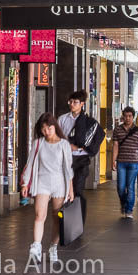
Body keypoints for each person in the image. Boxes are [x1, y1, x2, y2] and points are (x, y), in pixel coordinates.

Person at [21, 113, 74, 264]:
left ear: (54, 126)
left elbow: (68, 169)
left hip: (59, 184)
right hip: (42, 182)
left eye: (49, 127)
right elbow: (29, 164)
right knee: (39, 215)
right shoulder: (38, 143)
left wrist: (70, 190)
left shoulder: (64, 144)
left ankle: (53, 248)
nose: (46, 131)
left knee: (57, 218)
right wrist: (25, 183)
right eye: (43, 129)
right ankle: (36, 247)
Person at [58, 90, 99, 222]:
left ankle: (79, 220)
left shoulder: (88, 122)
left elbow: (93, 139)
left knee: (78, 189)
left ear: (82, 104)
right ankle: (66, 218)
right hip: (65, 159)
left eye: (75, 102)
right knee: (64, 191)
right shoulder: (63, 119)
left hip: (81, 159)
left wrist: (81, 147)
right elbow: (57, 138)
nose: (72, 104)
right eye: (70, 102)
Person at [112, 106, 138, 217]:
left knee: (130, 186)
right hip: (121, 162)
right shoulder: (117, 129)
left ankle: (129, 210)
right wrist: (113, 160)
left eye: (130, 116)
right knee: (121, 187)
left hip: (134, 162)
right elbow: (115, 146)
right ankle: (124, 203)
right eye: (125, 116)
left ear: (133, 117)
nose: (127, 118)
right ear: (123, 117)